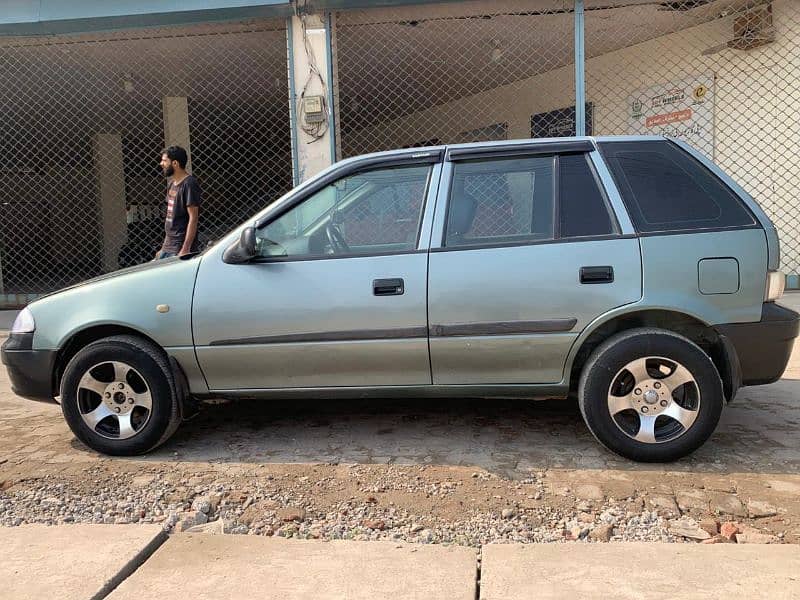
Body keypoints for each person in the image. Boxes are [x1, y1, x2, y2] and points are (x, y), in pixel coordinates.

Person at [154, 146, 201, 260]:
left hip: (179, 247)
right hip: (169, 246)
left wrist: (186, 248)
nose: (161, 163)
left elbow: (193, 218)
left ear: (175, 163)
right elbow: (170, 218)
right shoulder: (171, 184)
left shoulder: (189, 184)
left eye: (165, 160)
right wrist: (164, 247)